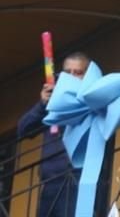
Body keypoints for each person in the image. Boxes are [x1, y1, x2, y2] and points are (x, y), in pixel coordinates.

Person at [17, 52, 89, 217]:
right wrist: (43, 105)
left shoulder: (93, 100)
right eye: (67, 72)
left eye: (77, 73)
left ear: (87, 76)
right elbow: (23, 130)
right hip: (49, 184)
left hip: (78, 181)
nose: (71, 77)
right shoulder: (53, 103)